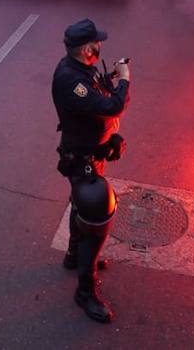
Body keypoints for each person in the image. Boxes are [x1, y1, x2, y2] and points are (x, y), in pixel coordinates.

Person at [51, 19, 129, 323]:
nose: (100, 47)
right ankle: (85, 291)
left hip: (89, 151)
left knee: (79, 206)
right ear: (86, 49)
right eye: (97, 43)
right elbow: (112, 107)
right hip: (81, 158)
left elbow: (96, 101)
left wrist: (109, 137)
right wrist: (124, 80)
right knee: (96, 212)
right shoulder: (72, 80)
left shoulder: (81, 69)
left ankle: (73, 256)